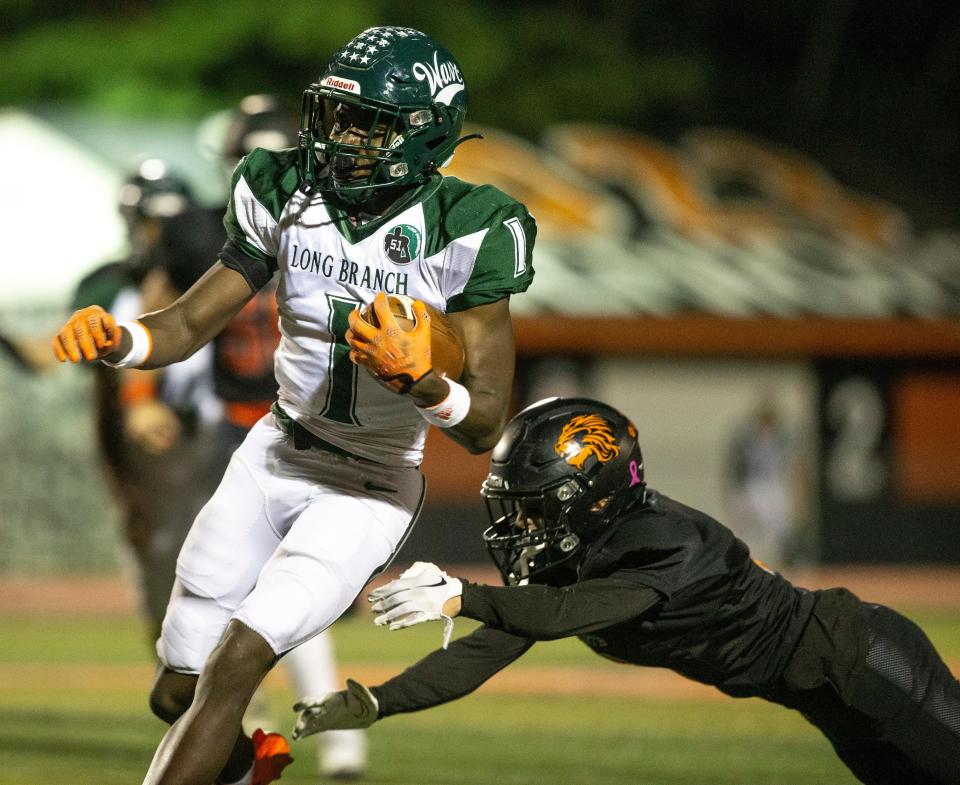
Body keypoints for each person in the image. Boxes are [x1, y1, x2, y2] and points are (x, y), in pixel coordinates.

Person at [53, 26, 535, 785]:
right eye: (336, 116)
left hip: (369, 484)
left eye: (366, 124)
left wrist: (424, 382)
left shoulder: (467, 225)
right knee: (176, 686)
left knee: (239, 657)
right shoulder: (286, 187)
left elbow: (483, 424)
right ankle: (249, 768)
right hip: (273, 452)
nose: (342, 139)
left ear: (423, 131)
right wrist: (119, 340)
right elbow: (184, 322)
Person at [292, 397, 960, 785]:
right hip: (822, 695)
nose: (521, 525)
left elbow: (563, 615)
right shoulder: (578, 544)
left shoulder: (666, 539)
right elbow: (484, 651)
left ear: (590, 494)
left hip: (858, 660)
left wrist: (462, 594)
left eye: (535, 507)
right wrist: (378, 702)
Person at [216, 93, 369, 780]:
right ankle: (280, 730)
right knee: (261, 593)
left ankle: (319, 733)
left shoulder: (260, 228)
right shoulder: (341, 230)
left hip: (277, 433)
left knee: (267, 592)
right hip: (290, 431)